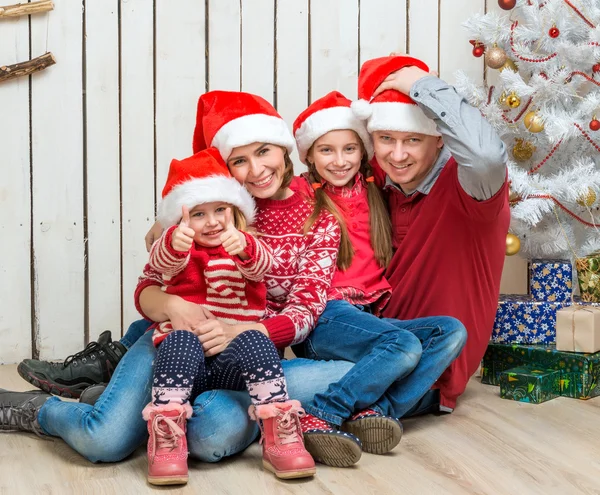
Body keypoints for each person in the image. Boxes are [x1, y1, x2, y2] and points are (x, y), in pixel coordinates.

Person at [0, 91, 357, 469]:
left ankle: (142, 402)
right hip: (177, 340)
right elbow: (152, 284)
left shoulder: (315, 215)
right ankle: (42, 410)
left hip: (246, 353)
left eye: (265, 151)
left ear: (285, 151)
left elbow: (305, 308)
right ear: (222, 167)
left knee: (213, 434)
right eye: (239, 160)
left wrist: (239, 330)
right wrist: (174, 303)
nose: (256, 170)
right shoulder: (200, 216)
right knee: (104, 440)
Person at [291, 91, 466, 461]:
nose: (340, 162)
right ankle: (323, 412)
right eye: (326, 151)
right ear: (307, 155)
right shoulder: (299, 192)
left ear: (364, 151)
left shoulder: (375, 189)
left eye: (350, 150)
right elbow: (240, 197)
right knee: (404, 346)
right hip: (325, 316)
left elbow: (420, 159)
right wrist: (169, 221)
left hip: (371, 315)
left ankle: (375, 413)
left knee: (450, 331)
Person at [141, 147, 314, 484]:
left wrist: (246, 248)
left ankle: (280, 430)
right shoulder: (179, 251)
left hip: (230, 365)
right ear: (181, 221)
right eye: (199, 214)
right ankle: (167, 438)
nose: (213, 221)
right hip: (185, 368)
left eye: (220, 209)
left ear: (235, 211)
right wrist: (173, 243)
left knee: (254, 338)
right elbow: (159, 265)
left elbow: (264, 267)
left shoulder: (245, 243)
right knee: (178, 340)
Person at [351, 55, 509, 414]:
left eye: (413, 140)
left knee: (286, 395)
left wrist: (423, 87)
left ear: (439, 140)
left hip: (428, 373)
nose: (398, 154)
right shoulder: (373, 183)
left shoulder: (471, 187)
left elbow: (485, 156)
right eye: (386, 138)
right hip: (361, 350)